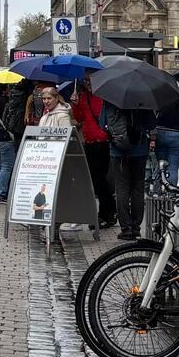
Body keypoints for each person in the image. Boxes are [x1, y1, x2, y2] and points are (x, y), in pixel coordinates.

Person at [99, 97, 154, 240]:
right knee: (138, 188)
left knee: (121, 189)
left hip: (118, 152)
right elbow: (152, 123)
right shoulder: (144, 99)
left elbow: (102, 123)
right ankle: (136, 227)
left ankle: (126, 228)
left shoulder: (111, 99)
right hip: (140, 150)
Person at [69, 76, 116, 231]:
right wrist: (75, 105)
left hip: (102, 142)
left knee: (100, 180)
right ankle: (105, 212)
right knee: (95, 180)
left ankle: (107, 213)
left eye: (91, 82)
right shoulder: (84, 97)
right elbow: (79, 118)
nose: (88, 85)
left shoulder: (103, 97)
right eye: (86, 82)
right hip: (89, 142)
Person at [0, 83, 24, 202]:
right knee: (7, 167)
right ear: (5, 88)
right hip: (6, 137)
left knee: (1, 166)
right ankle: (2, 193)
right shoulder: (5, 102)